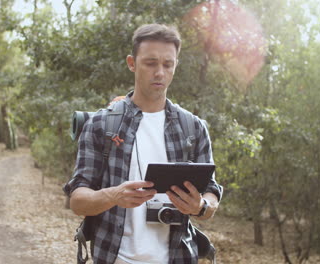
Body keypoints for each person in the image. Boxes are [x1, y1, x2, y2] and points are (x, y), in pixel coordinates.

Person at [64, 23, 223, 264]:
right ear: (132, 63)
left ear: (175, 66)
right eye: (150, 63)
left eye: (168, 64)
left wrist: (199, 206)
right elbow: (77, 200)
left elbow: (212, 194)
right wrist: (113, 195)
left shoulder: (193, 128)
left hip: (177, 257)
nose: (159, 72)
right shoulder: (101, 124)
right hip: (113, 258)